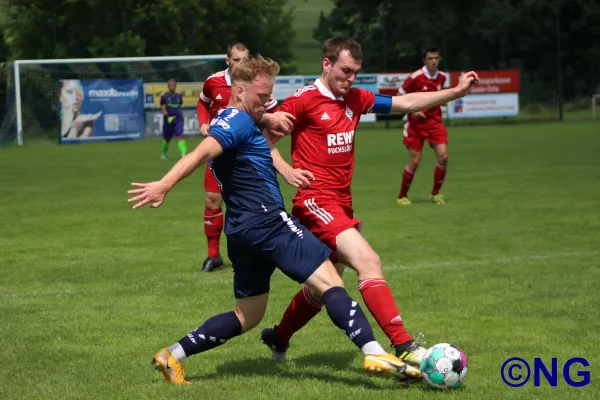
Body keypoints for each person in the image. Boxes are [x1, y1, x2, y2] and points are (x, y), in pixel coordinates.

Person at [127, 56, 421, 385]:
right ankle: (374, 352)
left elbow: (251, 131)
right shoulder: (236, 122)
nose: (267, 101)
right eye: (261, 96)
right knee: (331, 284)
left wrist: (269, 116)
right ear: (238, 91)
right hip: (268, 223)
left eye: (270, 96)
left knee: (247, 315)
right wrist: (165, 184)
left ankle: (172, 356)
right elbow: (201, 152)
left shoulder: (237, 117)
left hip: (240, 232)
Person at [261, 37, 478, 367]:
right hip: (314, 202)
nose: (350, 79)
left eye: (355, 73)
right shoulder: (304, 100)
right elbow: (263, 140)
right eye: (345, 71)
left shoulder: (356, 99)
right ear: (326, 64)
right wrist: (288, 171)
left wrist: (457, 92)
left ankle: (279, 337)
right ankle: (403, 344)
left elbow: (407, 103)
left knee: (324, 286)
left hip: (341, 204)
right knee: (369, 261)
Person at [196, 41, 278, 272]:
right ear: (227, 60)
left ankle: (256, 251)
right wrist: (204, 123)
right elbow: (203, 103)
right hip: (219, 151)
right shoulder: (213, 81)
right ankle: (213, 255)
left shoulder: (256, 84)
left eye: (245, 59)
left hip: (248, 153)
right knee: (212, 200)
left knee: (250, 203)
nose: (242, 64)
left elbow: (271, 113)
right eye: (237, 60)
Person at [397, 46, 449, 205]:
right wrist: (414, 111)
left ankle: (435, 193)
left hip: (434, 123)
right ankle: (402, 196)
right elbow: (399, 97)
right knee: (415, 161)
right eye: (430, 58)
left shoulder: (441, 77)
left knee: (443, 156)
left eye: (436, 58)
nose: (434, 61)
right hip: (415, 125)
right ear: (424, 60)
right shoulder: (415, 77)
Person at [160, 79, 187, 160]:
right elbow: (163, 107)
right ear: (168, 86)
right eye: (170, 85)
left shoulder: (179, 96)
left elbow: (180, 106)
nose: (172, 87)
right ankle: (164, 154)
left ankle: (184, 154)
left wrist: (181, 115)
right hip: (168, 119)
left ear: (175, 86)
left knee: (180, 136)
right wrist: (165, 113)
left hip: (178, 119)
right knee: (167, 138)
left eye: (173, 85)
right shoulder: (164, 96)